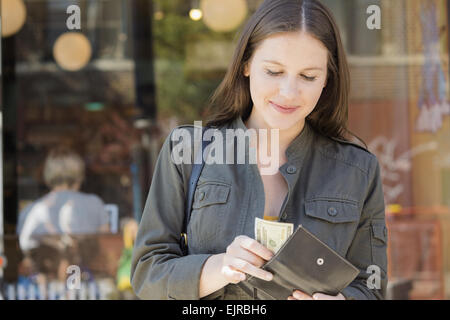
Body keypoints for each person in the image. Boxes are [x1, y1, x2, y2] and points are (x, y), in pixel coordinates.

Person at [131, 0, 387, 300]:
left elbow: (371, 286)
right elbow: (147, 274)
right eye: (274, 71)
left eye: (308, 76)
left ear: (327, 80)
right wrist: (218, 268)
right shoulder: (187, 150)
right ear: (247, 64)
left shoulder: (358, 169)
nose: (289, 92)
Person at [18, 146, 110, 251]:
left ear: (47, 175)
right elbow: (105, 246)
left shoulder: (30, 210)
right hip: (82, 267)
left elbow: (24, 249)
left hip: (47, 266)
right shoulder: (95, 203)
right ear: (80, 175)